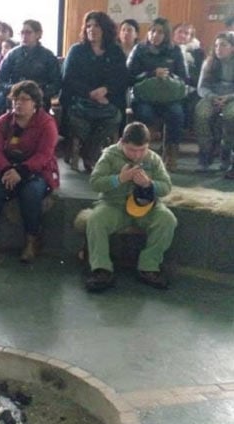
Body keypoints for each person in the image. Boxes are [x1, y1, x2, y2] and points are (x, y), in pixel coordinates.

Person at [84, 122, 176, 292]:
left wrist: (150, 184)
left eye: (142, 150)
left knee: (167, 219)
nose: (138, 155)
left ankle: (149, 266)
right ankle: (102, 269)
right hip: (114, 205)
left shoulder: (153, 159)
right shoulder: (109, 156)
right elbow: (95, 183)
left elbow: (166, 187)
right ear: (122, 143)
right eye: (132, 150)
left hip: (146, 207)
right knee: (96, 220)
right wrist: (119, 179)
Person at [0, 80, 59, 263]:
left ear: (35, 103)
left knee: (31, 194)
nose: (18, 103)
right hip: (6, 169)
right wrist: (7, 169)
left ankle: (32, 239)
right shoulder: (3, 122)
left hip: (35, 170)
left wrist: (21, 171)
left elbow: (44, 154)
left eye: (24, 99)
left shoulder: (47, 123)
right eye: (16, 99)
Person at [61, 11, 130, 172]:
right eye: (88, 26)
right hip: (80, 100)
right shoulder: (76, 51)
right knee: (79, 122)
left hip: (108, 101)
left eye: (96, 25)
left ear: (105, 28)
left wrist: (106, 90)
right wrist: (90, 93)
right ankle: (92, 154)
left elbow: (122, 79)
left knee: (114, 118)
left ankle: (87, 153)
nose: (92, 29)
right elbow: (68, 79)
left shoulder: (115, 51)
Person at [127, 17, 188, 171]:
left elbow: (184, 77)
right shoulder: (139, 50)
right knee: (145, 113)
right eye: (152, 31)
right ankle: (143, 153)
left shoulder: (175, 51)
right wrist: (151, 73)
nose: (155, 35)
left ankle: (170, 153)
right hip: (144, 97)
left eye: (160, 32)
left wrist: (168, 76)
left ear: (166, 35)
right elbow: (129, 77)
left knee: (177, 113)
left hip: (168, 97)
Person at [0, 19, 61, 117]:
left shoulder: (48, 56)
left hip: (38, 97)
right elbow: (0, 80)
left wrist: (41, 93)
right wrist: (12, 89)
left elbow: (56, 83)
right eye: (22, 33)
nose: (24, 36)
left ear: (38, 34)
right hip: (14, 95)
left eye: (28, 33)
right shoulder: (12, 55)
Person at [194, 31, 234, 175]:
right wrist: (212, 97)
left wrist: (228, 97)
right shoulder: (209, 62)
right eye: (216, 45)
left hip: (232, 98)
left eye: (223, 45)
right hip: (212, 97)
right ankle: (205, 155)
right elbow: (201, 87)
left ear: (232, 47)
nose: (218, 49)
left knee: (231, 116)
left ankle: (227, 154)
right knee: (201, 113)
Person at [173, 22, 205, 130]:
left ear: (191, 37)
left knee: (193, 103)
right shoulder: (169, 50)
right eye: (179, 32)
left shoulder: (198, 52)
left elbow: (202, 73)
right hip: (173, 85)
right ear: (173, 34)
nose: (182, 35)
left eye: (186, 33)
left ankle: (186, 132)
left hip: (193, 86)